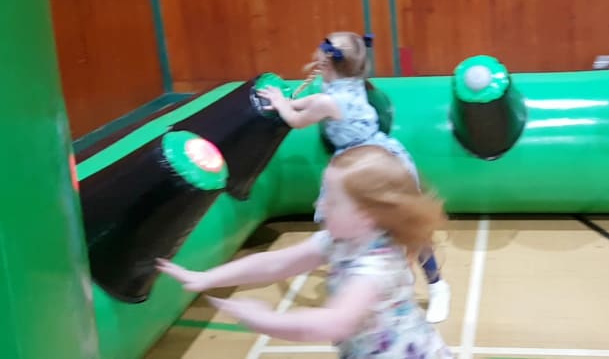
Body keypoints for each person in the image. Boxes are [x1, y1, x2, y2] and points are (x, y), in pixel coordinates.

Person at [157, 145, 453, 359]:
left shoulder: (374, 269)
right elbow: (276, 263)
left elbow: (330, 323)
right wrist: (208, 277)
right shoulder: (340, 240)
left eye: (331, 201)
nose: (318, 205)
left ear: (365, 216)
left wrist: (264, 319)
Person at [254, 31, 451, 323]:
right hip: (368, 159)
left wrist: (281, 103)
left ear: (326, 61)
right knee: (352, 226)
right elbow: (312, 102)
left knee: (405, 225)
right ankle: (377, 280)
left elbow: (296, 120)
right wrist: (287, 102)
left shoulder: (329, 99)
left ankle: (437, 286)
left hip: (369, 166)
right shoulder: (349, 84)